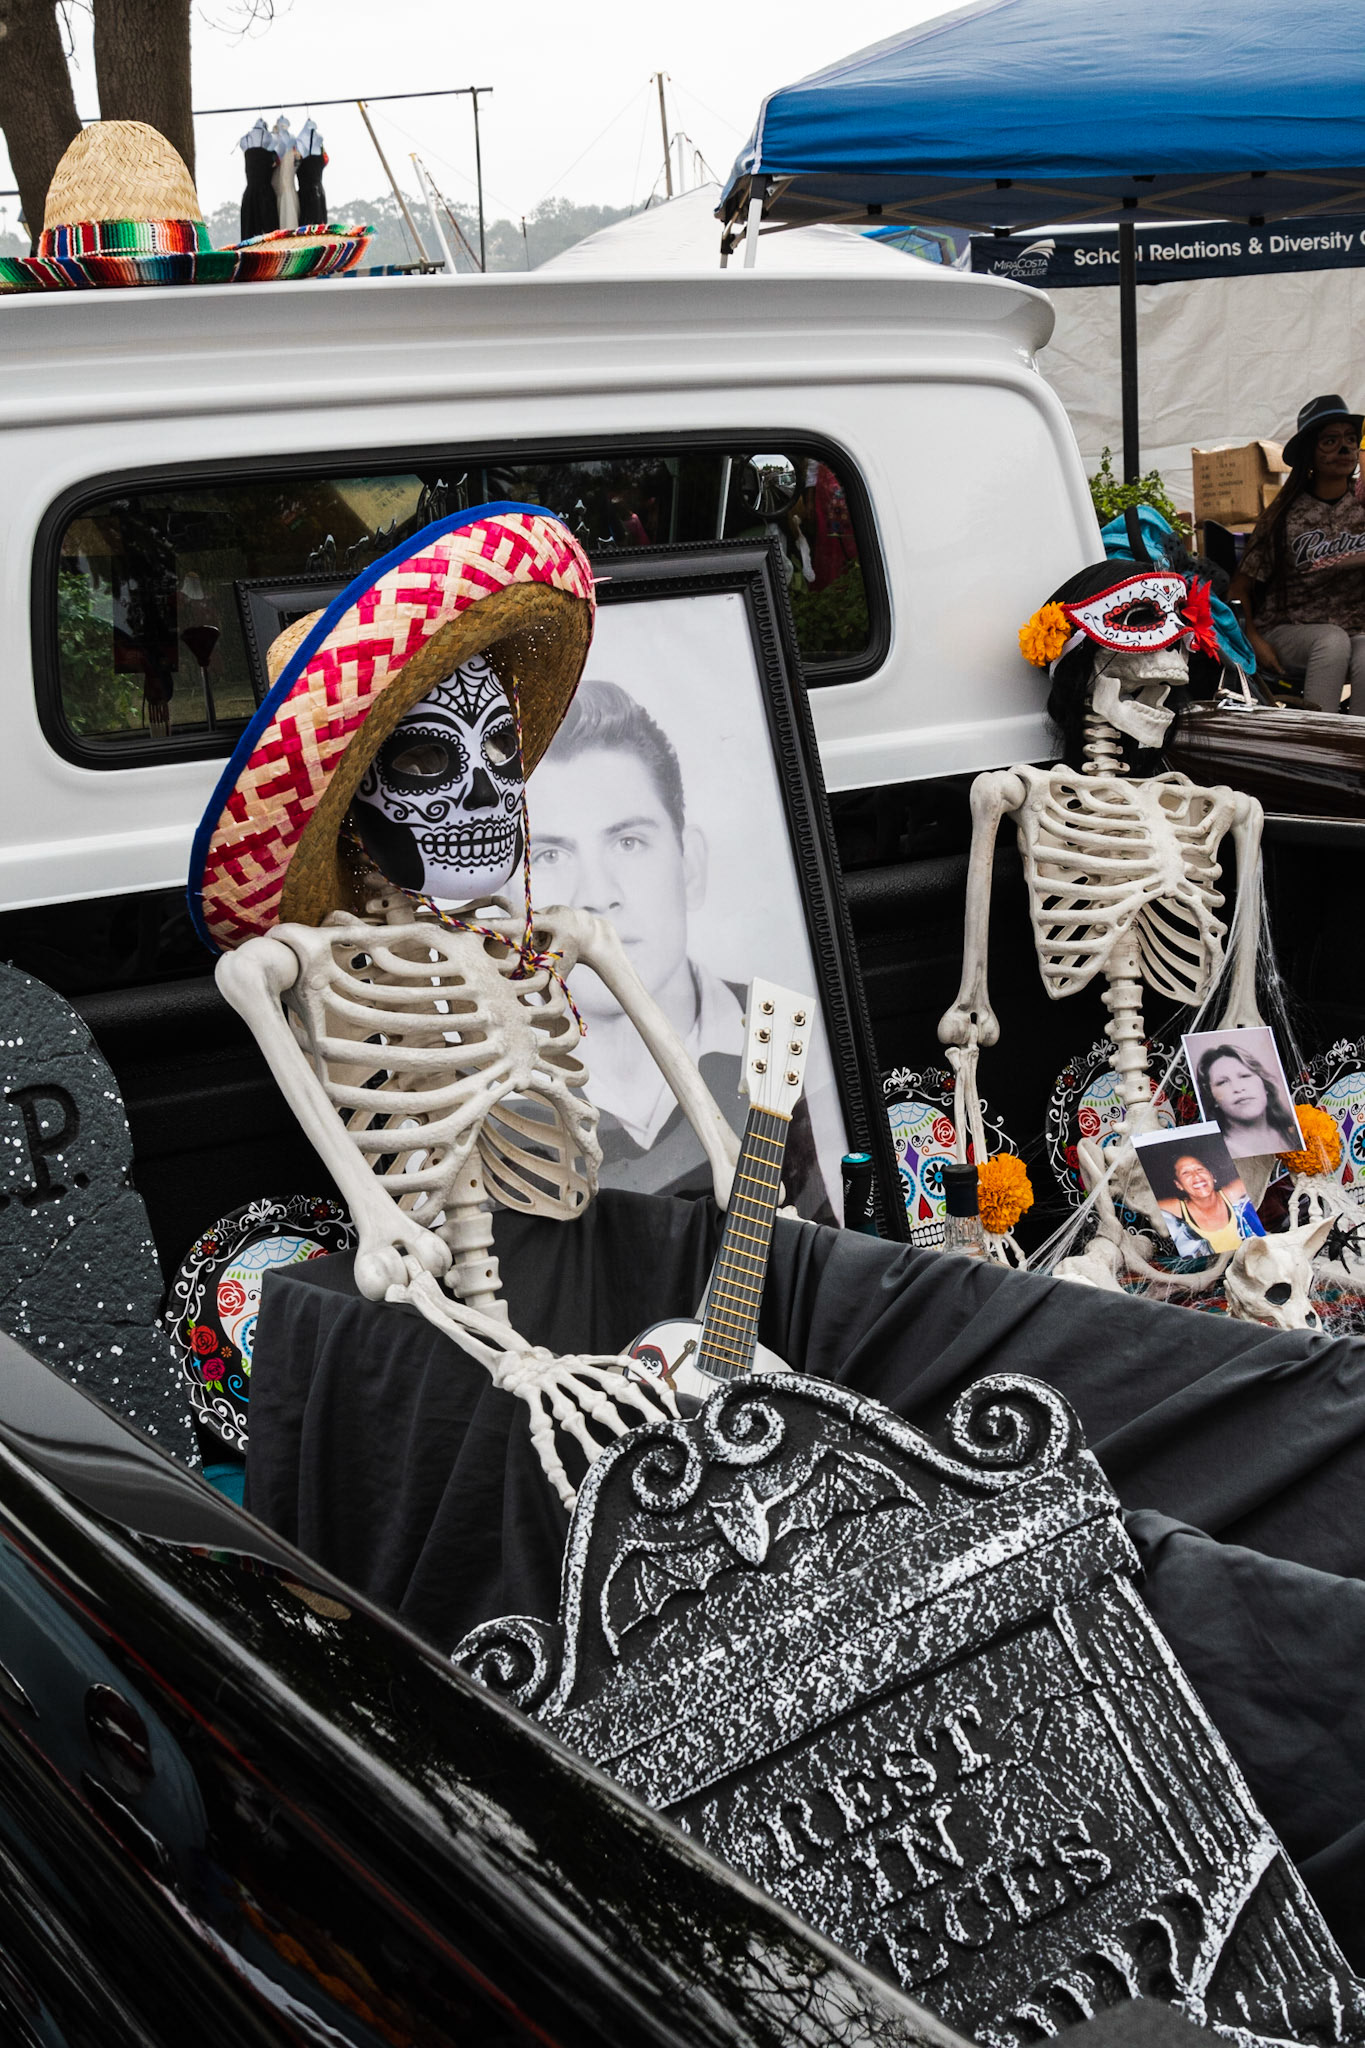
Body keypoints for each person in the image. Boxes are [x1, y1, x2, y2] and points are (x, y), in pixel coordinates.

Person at [529, 679, 832, 1217]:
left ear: (689, 865)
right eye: (551, 855)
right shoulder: (495, 1086)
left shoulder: (778, 1035)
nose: (597, 896)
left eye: (628, 842)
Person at [1230, 394, 1365, 713]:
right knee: (1332, 642)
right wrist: (1253, 638)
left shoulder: (1362, 507)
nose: (1344, 449)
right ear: (1309, 454)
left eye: (1350, 439)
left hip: (1354, 629)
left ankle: (1356, 753)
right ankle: (1314, 749)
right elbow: (1239, 589)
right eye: (1330, 441)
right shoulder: (1284, 516)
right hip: (1288, 631)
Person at [1195, 1041, 1300, 1157]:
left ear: (1265, 1085)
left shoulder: (1294, 1134)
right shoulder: (1218, 1153)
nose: (1238, 1088)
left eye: (1245, 1076)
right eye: (1222, 1082)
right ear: (1212, 1098)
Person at [1159, 1151, 1260, 1258]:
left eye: (1199, 1169)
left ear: (1212, 1176)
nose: (1196, 1175)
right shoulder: (1171, 1210)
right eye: (1185, 1173)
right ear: (1179, 1185)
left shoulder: (1235, 1193)